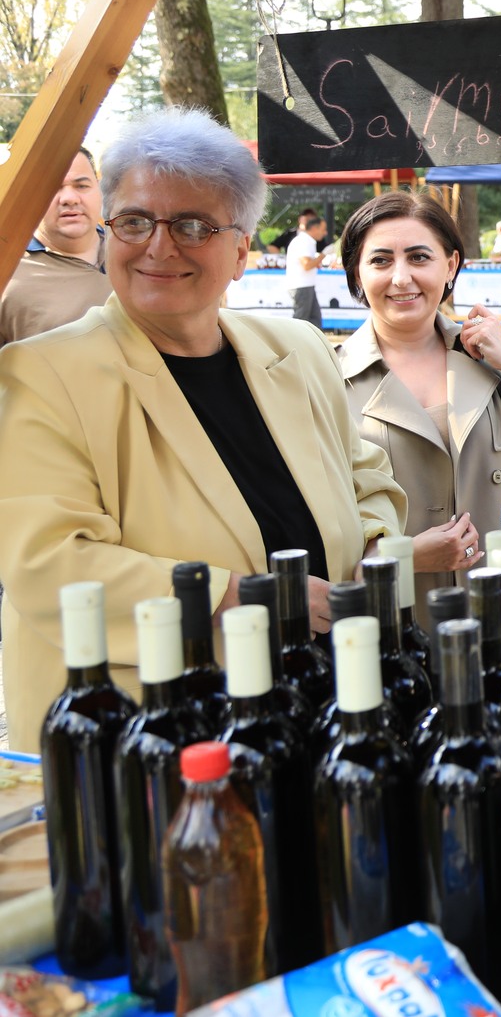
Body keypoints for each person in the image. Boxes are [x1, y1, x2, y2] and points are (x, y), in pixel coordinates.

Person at [0, 111, 405, 748]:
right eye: (135, 221)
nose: (160, 247)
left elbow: (365, 477)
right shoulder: (41, 373)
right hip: (151, 734)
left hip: (317, 711)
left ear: (241, 252)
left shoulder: (298, 350)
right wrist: (241, 596)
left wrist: (378, 551)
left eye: (193, 225)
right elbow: (49, 562)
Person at [334, 192, 501, 653]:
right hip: (405, 628)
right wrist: (403, 557)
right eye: (380, 260)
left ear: (450, 265)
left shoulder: (489, 356)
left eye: (419, 257)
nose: (401, 277)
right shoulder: (327, 378)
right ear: (357, 274)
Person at [0, 148, 110, 348]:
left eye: (82, 185)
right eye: (52, 188)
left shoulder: (135, 250)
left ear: (100, 189)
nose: (69, 198)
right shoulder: (7, 273)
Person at [285, 207, 326, 329]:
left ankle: (313, 341)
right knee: (301, 321)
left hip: (305, 285)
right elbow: (307, 265)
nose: (325, 233)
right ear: (314, 228)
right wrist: (323, 255)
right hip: (301, 286)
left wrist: (317, 260)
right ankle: (294, 341)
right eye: (323, 229)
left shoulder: (305, 240)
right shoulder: (304, 241)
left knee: (314, 320)